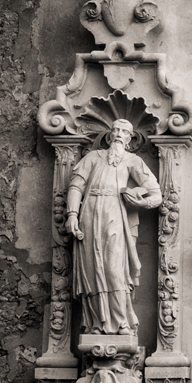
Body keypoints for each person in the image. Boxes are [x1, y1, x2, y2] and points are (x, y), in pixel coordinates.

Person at [65, 119, 162, 335]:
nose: (119, 134)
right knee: (91, 268)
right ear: (109, 135)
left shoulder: (132, 161)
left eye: (124, 132)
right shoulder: (93, 157)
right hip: (89, 214)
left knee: (114, 267)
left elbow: (156, 194)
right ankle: (95, 324)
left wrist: (141, 202)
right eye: (116, 130)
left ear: (130, 138)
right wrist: (72, 215)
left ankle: (121, 322)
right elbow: (76, 185)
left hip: (115, 214)